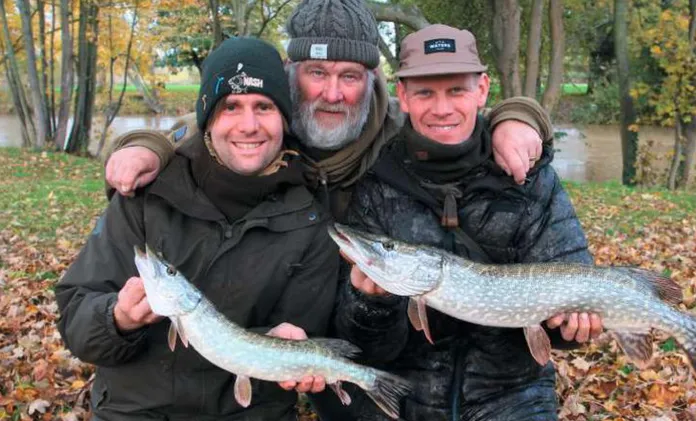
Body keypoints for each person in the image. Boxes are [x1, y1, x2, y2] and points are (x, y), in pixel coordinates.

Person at [55, 37, 339, 421]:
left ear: (284, 118)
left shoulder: (309, 220)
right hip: (138, 413)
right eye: (230, 107)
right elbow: (76, 322)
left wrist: (290, 341)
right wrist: (117, 318)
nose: (249, 126)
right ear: (206, 117)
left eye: (264, 107)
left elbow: (304, 328)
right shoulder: (147, 195)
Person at [334, 24, 602, 420]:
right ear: (403, 96)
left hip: (514, 397)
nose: (442, 108)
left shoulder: (532, 181)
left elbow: (566, 306)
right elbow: (367, 351)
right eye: (425, 93)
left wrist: (572, 330)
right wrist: (370, 305)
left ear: (482, 90)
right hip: (406, 398)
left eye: (457, 90)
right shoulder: (376, 188)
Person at [104, 0, 554, 221]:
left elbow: (457, 120)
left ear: (373, 79)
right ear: (290, 72)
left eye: (350, 76)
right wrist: (146, 146)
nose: (333, 94)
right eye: (317, 73)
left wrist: (517, 118)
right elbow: (197, 130)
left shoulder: (395, 129)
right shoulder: (261, 127)